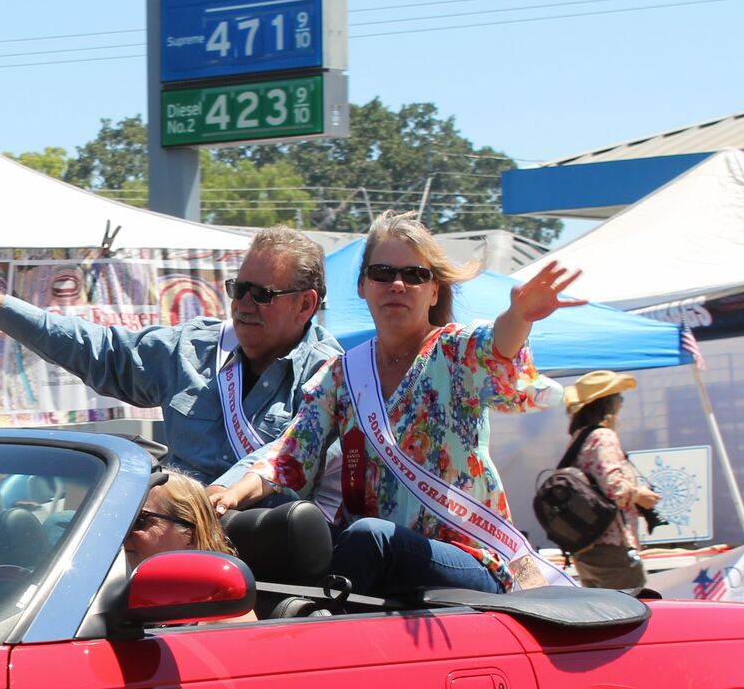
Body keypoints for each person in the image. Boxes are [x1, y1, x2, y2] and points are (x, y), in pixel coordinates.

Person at [211, 212, 583, 595]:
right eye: (383, 273)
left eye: (415, 275)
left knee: (371, 538)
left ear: (434, 291)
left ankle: (320, 637)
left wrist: (518, 317)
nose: (398, 284)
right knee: (295, 535)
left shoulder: (453, 352)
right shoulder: (341, 375)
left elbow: (495, 349)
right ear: (362, 285)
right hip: (371, 557)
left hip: (466, 554)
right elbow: (290, 456)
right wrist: (231, 496)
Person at [0, 227, 347, 514]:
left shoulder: (331, 376)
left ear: (305, 304)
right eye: (240, 289)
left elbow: (286, 455)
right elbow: (97, 349)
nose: (244, 304)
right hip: (174, 535)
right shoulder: (195, 347)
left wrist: (216, 500)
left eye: (263, 294)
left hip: (263, 554)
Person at [562, 371, 664, 591]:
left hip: (587, 546)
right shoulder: (602, 436)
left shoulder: (580, 437)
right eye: (619, 397)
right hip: (611, 545)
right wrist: (639, 495)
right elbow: (614, 488)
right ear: (606, 403)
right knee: (632, 608)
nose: (621, 402)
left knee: (603, 615)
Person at [123, 471, 256, 622]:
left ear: (190, 536)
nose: (122, 533)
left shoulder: (223, 614)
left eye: (138, 520)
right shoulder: (102, 591)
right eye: (118, 519)